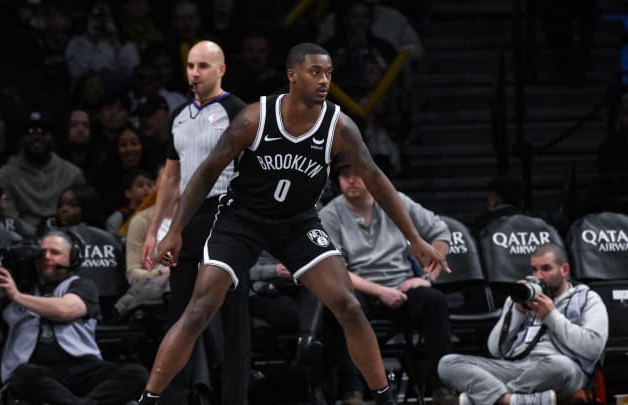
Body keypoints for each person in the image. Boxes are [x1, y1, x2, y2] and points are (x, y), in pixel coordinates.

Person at [138, 42, 449, 405]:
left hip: (297, 222)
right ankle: (149, 398)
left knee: (347, 304)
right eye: (315, 72)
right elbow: (206, 173)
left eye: (329, 73)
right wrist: (174, 229)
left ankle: (383, 396)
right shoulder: (254, 118)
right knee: (200, 308)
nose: (324, 80)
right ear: (292, 75)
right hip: (242, 219)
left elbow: (377, 180)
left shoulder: (339, 126)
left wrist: (413, 237)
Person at [138, 40, 250, 404]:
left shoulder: (239, 111)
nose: (195, 73)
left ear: (221, 69)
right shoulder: (180, 117)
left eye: (203, 66)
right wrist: (156, 230)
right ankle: (175, 396)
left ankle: (234, 398)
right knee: (180, 313)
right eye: (190, 66)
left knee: (232, 315)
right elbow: (170, 180)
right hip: (187, 219)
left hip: (228, 215)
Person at [319, 152, 452, 403]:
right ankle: (352, 391)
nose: (351, 180)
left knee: (434, 301)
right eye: (344, 175)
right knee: (342, 304)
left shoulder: (395, 202)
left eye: (357, 174)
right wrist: (379, 291)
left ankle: (441, 387)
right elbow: (333, 268)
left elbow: (440, 232)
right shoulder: (330, 214)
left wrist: (426, 277)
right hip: (359, 287)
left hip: (402, 285)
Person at [0, 230, 148, 404]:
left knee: (137, 374)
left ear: (72, 258)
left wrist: (17, 296)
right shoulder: (14, 291)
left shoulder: (82, 286)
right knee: (24, 376)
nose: (47, 257)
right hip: (36, 371)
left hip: (82, 367)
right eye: (42, 253)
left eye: (55, 253)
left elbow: (66, 310)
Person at [438, 243, 608, 405]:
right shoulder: (523, 297)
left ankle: (490, 399)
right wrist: (517, 311)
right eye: (534, 269)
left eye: (546, 268)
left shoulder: (587, 298)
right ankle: (510, 401)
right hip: (517, 368)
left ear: (564, 270)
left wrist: (551, 316)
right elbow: (495, 350)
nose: (539, 276)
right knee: (448, 363)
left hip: (559, 371)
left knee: (560, 366)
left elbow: (593, 348)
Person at [0, 110, 85, 235]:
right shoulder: (4, 176)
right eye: (30, 132)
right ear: (22, 138)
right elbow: (8, 218)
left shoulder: (72, 174)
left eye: (43, 132)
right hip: (20, 241)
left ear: (52, 137)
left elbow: (82, 212)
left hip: (66, 237)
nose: (37, 138)